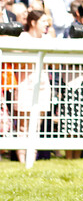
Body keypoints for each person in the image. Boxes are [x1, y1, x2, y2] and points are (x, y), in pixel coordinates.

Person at [15, 10, 53, 162]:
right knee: (23, 126)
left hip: (43, 84)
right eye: (43, 21)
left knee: (36, 126)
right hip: (25, 83)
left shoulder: (47, 38)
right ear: (33, 22)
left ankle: (31, 158)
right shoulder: (22, 37)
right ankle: (23, 160)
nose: (46, 25)